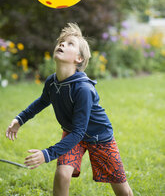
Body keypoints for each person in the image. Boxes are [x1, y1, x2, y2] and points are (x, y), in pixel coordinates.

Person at [6, 23, 133, 196]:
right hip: (73, 134)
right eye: (61, 42)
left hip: (100, 137)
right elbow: (42, 102)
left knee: (121, 188)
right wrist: (20, 119)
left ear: (79, 59)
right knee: (62, 174)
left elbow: (80, 131)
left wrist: (47, 154)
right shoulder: (52, 82)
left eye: (70, 43)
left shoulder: (83, 89)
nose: (62, 44)